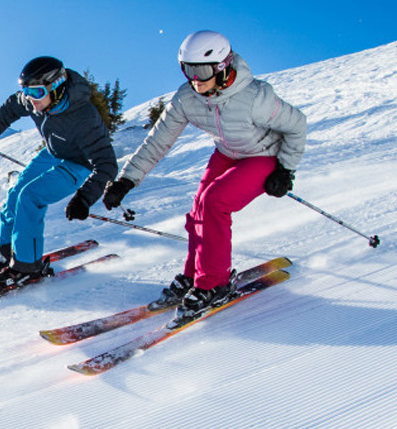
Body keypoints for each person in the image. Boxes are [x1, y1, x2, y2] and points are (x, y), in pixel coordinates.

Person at [102, 30, 307, 326]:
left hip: (264, 155)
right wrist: (126, 180)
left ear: (222, 67)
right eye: (188, 70)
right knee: (199, 207)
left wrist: (285, 169)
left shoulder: (255, 98)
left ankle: (214, 285)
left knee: (215, 202)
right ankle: (195, 273)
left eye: (202, 70)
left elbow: (297, 125)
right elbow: (158, 140)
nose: (195, 79)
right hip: (227, 153)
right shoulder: (188, 98)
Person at [0, 56, 119, 296]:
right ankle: (8, 253)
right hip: (53, 152)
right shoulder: (34, 100)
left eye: (36, 91)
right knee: (15, 194)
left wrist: (85, 198)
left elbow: (107, 164)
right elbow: (7, 112)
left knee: (30, 197)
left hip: (79, 163)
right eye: (26, 91)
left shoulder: (84, 117)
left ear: (55, 87)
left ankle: (27, 266)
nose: (30, 98)